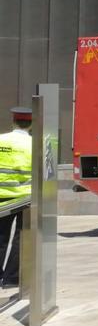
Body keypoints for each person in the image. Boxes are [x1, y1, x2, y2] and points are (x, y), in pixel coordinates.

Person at [0, 107, 33, 289]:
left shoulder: (1, 140)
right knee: (21, 239)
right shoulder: (35, 144)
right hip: (24, 199)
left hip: (1, 198)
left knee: (0, 237)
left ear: (13, 121)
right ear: (31, 124)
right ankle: (12, 279)